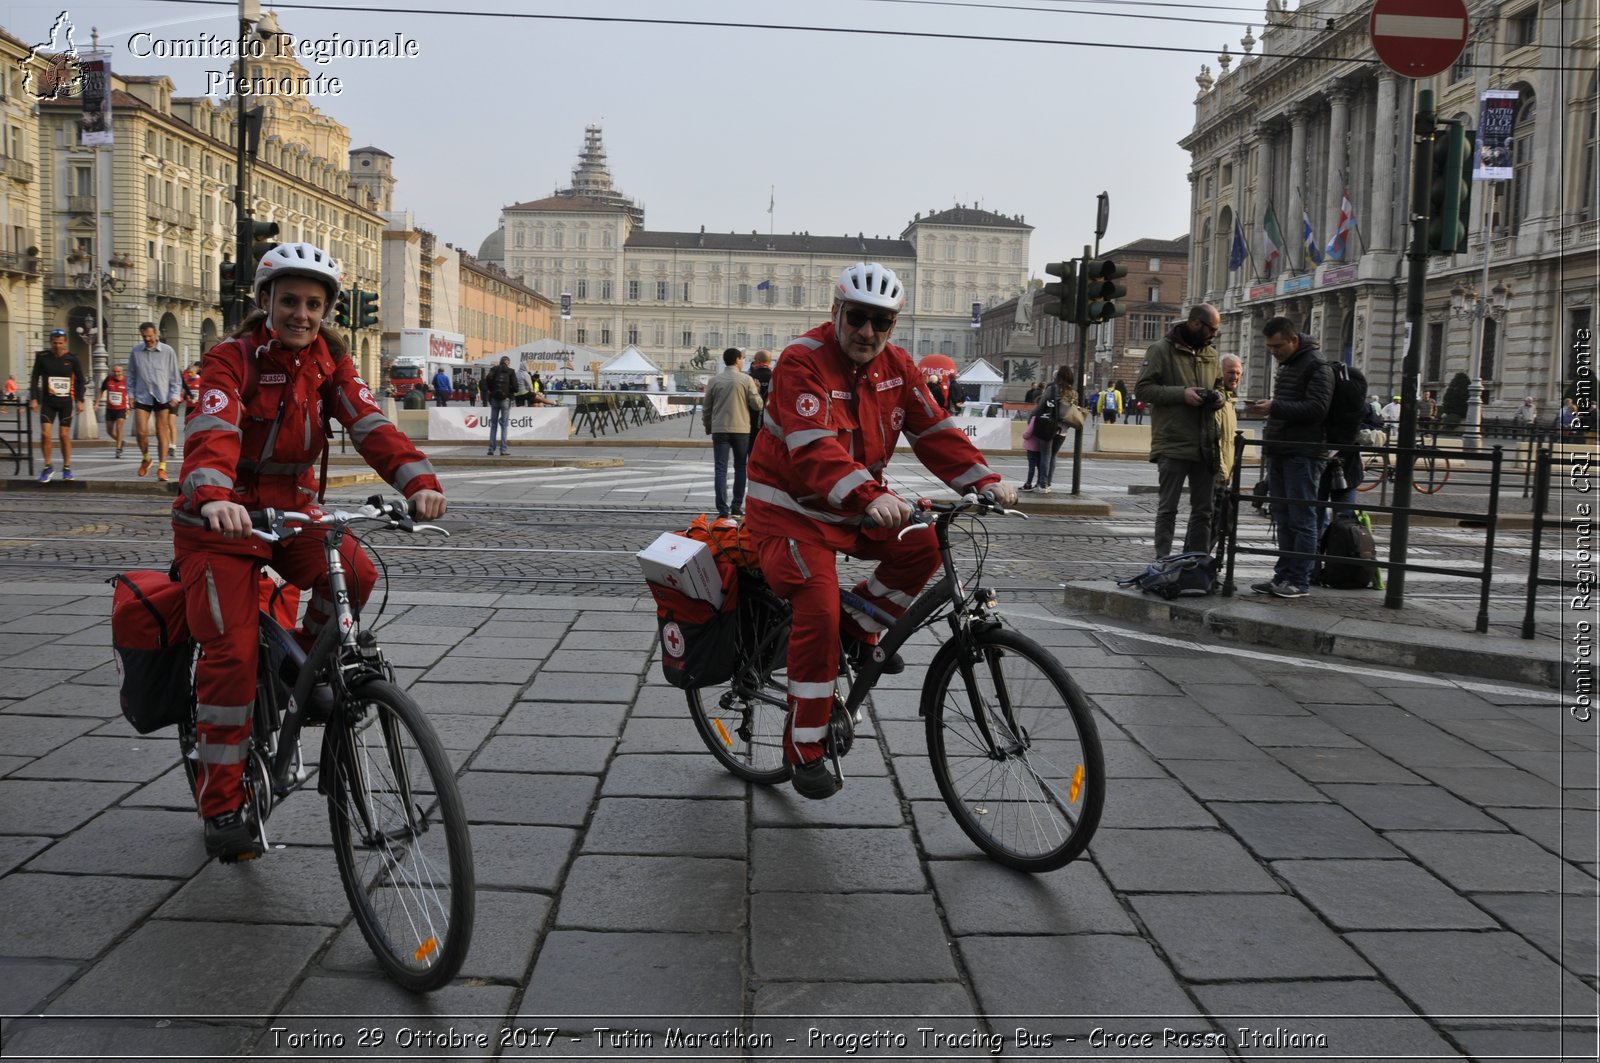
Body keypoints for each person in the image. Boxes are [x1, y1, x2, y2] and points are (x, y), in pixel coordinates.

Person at [173, 240, 445, 860]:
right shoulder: (229, 359)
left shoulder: (329, 364)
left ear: (328, 312)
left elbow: (371, 424)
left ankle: (306, 666)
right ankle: (222, 807)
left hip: (292, 511)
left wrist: (419, 483)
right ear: (265, 301)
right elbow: (212, 431)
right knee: (233, 657)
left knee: (358, 569)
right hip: (220, 521)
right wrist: (215, 494)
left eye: (314, 304)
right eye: (289, 300)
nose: (301, 314)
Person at [745, 262, 1016, 799]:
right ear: (836, 312)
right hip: (788, 513)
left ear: (893, 325)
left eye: (881, 321)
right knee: (817, 609)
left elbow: (935, 431)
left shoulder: (898, 366)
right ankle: (805, 747)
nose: (868, 332)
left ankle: (860, 622)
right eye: (858, 318)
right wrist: (873, 496)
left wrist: (984, 480)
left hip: (853, 508)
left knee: (925, 544)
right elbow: (813, 447)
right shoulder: (803, 361)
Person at [1248, 316, 1333, 599]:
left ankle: (1299, 580)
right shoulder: (1289, 365)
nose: (1274, 352)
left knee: (1302, 518)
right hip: (1281, 449)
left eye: (1278, 346)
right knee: (1282, 518)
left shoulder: (1316, 366)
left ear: (1293, 340)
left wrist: (1276, 406)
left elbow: (1317, 408)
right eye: (1270, 348)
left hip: (1303, 453)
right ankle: (1282, 576)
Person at [1136, 304, 1224, 558]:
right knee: (1168, 508)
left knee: (1204, 510)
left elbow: (1221, 387)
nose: (1214, 335)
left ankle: (1197, 561)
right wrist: (1181, 394)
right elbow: (1143, 390)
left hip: (1205, 443)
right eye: (1212, 329)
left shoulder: (1211, 354)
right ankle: (1162, 560)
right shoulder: (1161, 350)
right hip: (1173, 442)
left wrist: (1219, 396)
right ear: (1196, 323)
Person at [702, 347, 764, 517]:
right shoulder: (746, 379)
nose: (744, 361)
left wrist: (708, 426)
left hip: (720, 429)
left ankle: (722, 509)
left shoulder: (714, 380)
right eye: (743, 358)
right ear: (737, 359)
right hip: (742, 429)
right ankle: (737, 506)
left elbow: (706, 408)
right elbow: (757, 405)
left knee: (720, 469)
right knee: (740, 467)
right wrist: (757, 392)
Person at [127, 322, 183, 482]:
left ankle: (162, 467)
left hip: (162, 395)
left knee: (161, 432)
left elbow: (175, 376)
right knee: (141, 432)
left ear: (156, 334)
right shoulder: (136, 351)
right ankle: (146, 458)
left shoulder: (168, 351)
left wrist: (175, 395)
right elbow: (130, 375)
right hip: (142, 396)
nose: (147, 339)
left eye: (150, 336)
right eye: (144, 337)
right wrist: (131, 395)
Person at [29, 329, 86, 483]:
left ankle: (66, 468)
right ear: (50, 342)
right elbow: (34, 378)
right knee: (46, 434)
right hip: (48, 401)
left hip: (66, 402)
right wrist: (34, 398)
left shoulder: (72, 359)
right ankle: (48, 467)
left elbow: (81, 380)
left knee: (63, 435)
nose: (57, 346)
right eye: (55, 343)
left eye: (60, 343)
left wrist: (80, 400)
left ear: (65, 342)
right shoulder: (42, 357)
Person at [1031, 365, 1077, 494]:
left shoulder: (1051, 390)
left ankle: (1042, 484)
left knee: (1045, 455)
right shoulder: (1074, 393)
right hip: (1063, 429)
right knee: (1053, 456)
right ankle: (1048, 483)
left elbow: (1040, 407)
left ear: (1058, 377)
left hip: (1048, 426)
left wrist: (1031, 418)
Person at [483, 355, 517, 455]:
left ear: (500, 361)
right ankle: (503, 449)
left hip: (494, 398)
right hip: (505, 399)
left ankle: (491, 449)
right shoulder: (511, 371)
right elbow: (515, 387)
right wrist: (509, 390)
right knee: (504, 425)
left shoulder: (494, 369)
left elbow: (488, 379)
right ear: (508, 362)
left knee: (493, 425)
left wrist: (492, 390)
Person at [102, 363, 130, 458]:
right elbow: (102, 390)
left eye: (118, 371)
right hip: (110, 409)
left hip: (121, 408)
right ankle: (121, 441)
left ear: (122, 372)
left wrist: (129, 407)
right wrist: (97, 403)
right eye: (114, 371)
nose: (116, 373)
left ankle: (118, 450)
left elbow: (130, 395)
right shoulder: (109, 379)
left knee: (119, 428)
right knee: (109, 431)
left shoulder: (126, 381)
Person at [747, 349, 774, 448]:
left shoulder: (749, 377)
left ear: (757, 360)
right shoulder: (775, 376)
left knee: (752, 448)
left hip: (751, 419)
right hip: (771, 419)